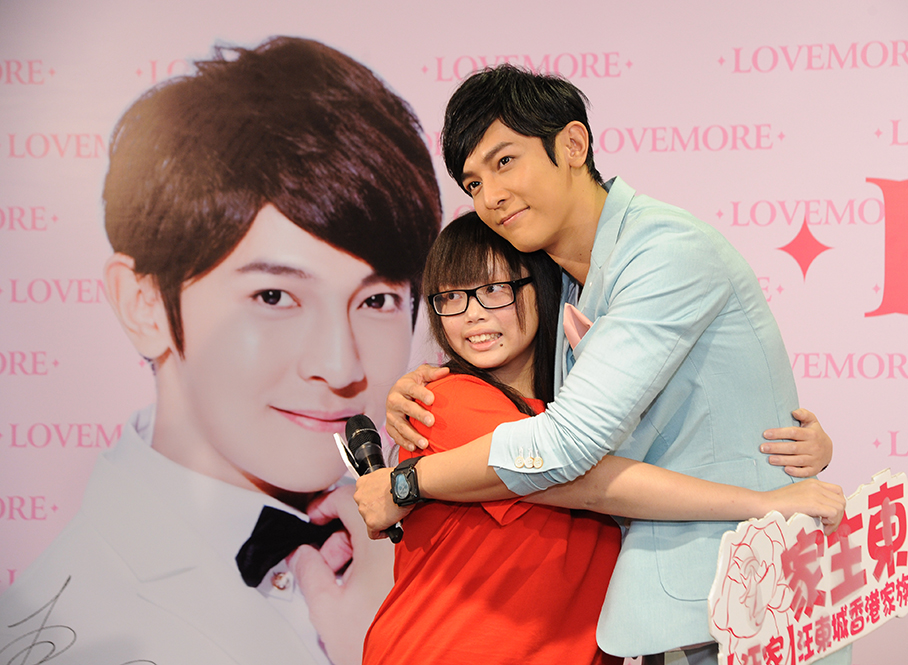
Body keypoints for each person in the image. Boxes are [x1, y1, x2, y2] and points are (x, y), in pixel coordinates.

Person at [354, 65, 852, 664]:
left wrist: (407, 481)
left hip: (751, 593)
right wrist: (411, 393)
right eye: (473, 183)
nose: (490, 197)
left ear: (572, 145)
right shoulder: (561, 280)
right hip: (678, 605)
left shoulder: (664, 251)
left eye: (505, 162)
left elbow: (569, 446)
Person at [0, 37, 439, 665]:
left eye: (377, 301)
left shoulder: (444, 543)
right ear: (144, 305)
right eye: (274, 296)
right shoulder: (59, 634)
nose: (341, 366)